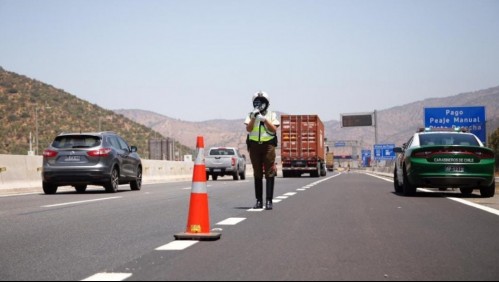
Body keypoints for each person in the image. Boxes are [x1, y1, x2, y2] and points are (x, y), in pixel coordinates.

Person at [244, 91, 280, 210]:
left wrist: (264, 119)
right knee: (257, 173)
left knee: (269, 172)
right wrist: (254, 117)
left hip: (268, 146)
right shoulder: (250, 114)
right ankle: (259, 201)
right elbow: (249, 129)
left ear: (267, 103)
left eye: (262, 102)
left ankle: (269, 201)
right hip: (254, 146)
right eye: (257, 102)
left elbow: (274, 129)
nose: (259, 104)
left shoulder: (271, 115)